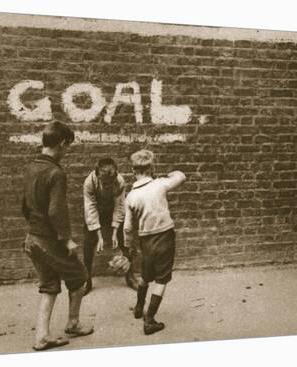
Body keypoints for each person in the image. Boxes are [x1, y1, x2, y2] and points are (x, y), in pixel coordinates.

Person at [21, 121, 94, 351]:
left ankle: (42, 336)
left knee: (50, 285)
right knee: (81, 277)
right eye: (68, 147)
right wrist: (67, 239)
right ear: (62, 144)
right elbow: (56, 211)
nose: (67, 152)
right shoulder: (56, 172)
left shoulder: (31, 167)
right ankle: (73, 323)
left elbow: (24, 206)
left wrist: (35, 226)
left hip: (32, 239)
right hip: (49, 241)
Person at [123, 149, 186, 335]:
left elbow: (127, 227)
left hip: (145, 240)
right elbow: (181, 176)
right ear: (151, 168)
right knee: (162, 279)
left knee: (145, 275)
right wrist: (168, 174)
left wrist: (129, 246)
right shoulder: (160, 184)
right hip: (165, 237)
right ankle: (149, 320)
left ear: (133, 170)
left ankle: (138, 307)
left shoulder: (131, 196)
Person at [82, 158, 137, 294]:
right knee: (87, 243)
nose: (107, 186)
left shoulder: (120, 182)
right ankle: (87, 280)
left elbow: (119, 206)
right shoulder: (89, 182)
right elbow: (91, 208)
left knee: (126, 239)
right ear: (97, 175)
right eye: (104, 183)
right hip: (97, 213)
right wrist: (99, 236)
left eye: (110, 183)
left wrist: (114, 232)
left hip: (112, 210)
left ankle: (130, 276)